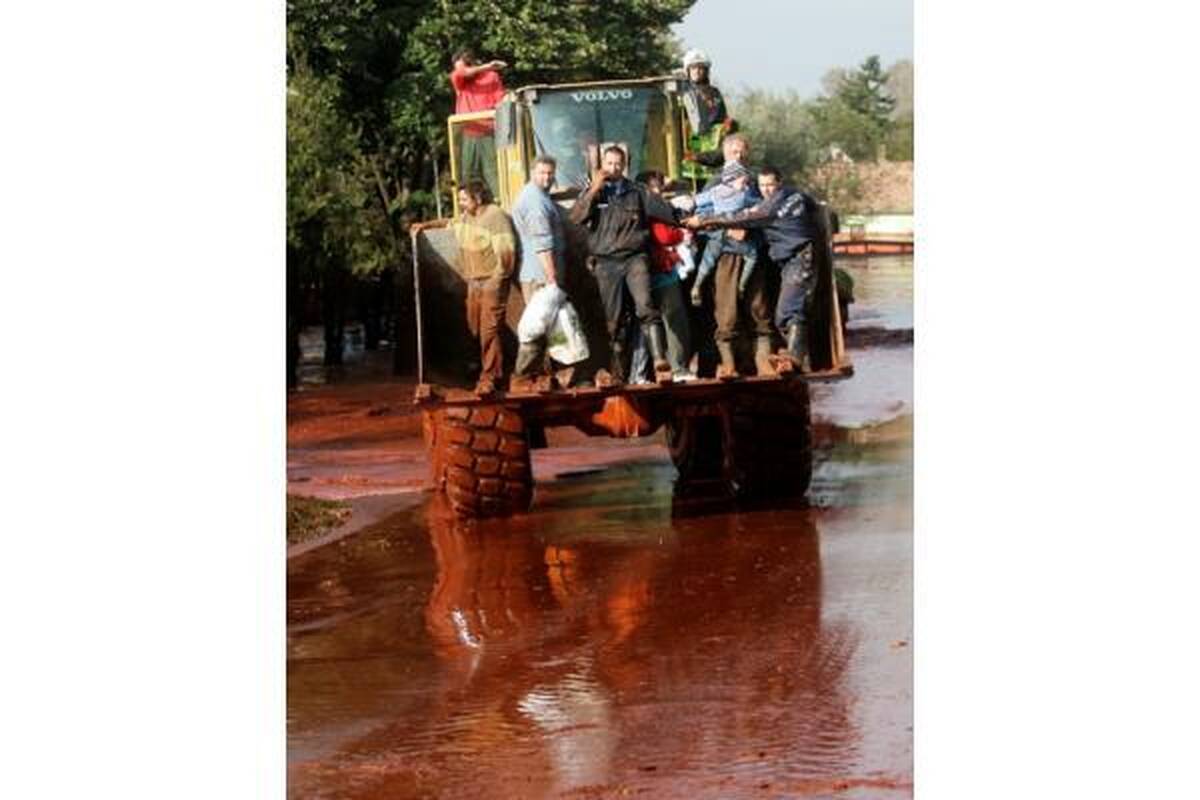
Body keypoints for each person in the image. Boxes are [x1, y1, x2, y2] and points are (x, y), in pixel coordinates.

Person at [686, 165, 823, 373]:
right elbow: (816, 209)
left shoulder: (769, 208)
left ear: (779, 183)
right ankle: (793, 358)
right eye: (762, 185)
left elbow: (738, 219)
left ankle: (795, 360)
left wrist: (703, 221)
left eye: (770, 185)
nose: (766, 189)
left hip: (799, 257)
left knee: (788, 312)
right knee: (784, 313)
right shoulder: (797, 194)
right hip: (794, 256)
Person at [569, 146, 679, 386]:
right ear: (602, 165)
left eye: (618, 164)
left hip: (634, 259)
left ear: (625, 165)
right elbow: (576, 218)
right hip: (606, 263)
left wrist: (692, 218)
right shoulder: (594, 193)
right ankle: (617, 373)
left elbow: (669, 212)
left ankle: (661, 363)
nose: (613, 168)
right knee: (613, 320)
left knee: (646, 307)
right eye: (609, 163)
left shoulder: (638, 192)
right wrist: (594, 190)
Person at [684, 133, 774, 378]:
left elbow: (768, 210)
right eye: (735, 152)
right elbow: (701, 218)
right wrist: (724, 228)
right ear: (725, 154)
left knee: (759, 307)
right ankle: (728, 363)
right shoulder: (715, 183)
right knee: (726, 310)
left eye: (743, 151)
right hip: (724, 255)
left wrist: (748, 226)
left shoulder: (757, 181)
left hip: (753, 249)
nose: (740, 156)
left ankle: (762, 359)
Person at [413, 181, 516, 395]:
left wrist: (496, 280)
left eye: (464, 199)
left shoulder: (495, 217)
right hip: (474, 282)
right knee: (474, 328)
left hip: (490, 281)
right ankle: (484, 370)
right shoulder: (468, 217)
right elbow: (451, 223)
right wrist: (425, 225)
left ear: (478, 199)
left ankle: (491, 377)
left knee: (489, 330)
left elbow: (506, 253)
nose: (460, 204)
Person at [510, 155, 568, 392]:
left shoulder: (539, 196)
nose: (547, 178)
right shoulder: (535, 202)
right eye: (542, 173)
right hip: (541, 276)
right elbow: (542, 244)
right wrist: (552, 278)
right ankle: (522, 376)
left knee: (554, 326)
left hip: (542, 274)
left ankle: (551, 374)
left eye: (550, 173)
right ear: (532, 172)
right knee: (536, 327)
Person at [633, 170, 695, 381]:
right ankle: (678, 368)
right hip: (662, 269)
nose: (658, 190)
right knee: (674, 319)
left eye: (659, 186)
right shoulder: (655, 208)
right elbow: (664, 235)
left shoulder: (633, 206)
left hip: (639, 274)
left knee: (648, 321)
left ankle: (643, 373)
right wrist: (682, 233)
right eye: (654, 186)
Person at [689, 160, 761, 305]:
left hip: (717, 237)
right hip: (736, 240)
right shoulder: (743, 196)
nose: (746, 185)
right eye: (743, 182)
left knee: (707, 261)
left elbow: (696, 201)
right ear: (732, 179)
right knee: (753, 255)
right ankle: (742, 285)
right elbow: (758, 202)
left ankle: (697, 285)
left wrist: (690, 203)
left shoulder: (715, 192)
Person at [449, 49, 507, 199]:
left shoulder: (491, 77)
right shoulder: (460, 80)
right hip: (468, 134)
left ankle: (500, 203)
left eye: (461, 66)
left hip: (488, 133)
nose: (458, 71)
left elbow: (500, 101)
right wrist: (488, 66)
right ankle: (468, 208)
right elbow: (460, 74)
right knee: (467, 175)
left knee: (493, 172)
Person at [679, 49, 734, 183]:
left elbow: (721, 123)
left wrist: (729, 128)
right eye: (693, 68)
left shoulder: (715, 94)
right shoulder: (680, 94)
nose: (697, 71)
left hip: (710, 157)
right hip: (687, 155)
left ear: (706, 71)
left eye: (701, 68)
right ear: (687, 71)